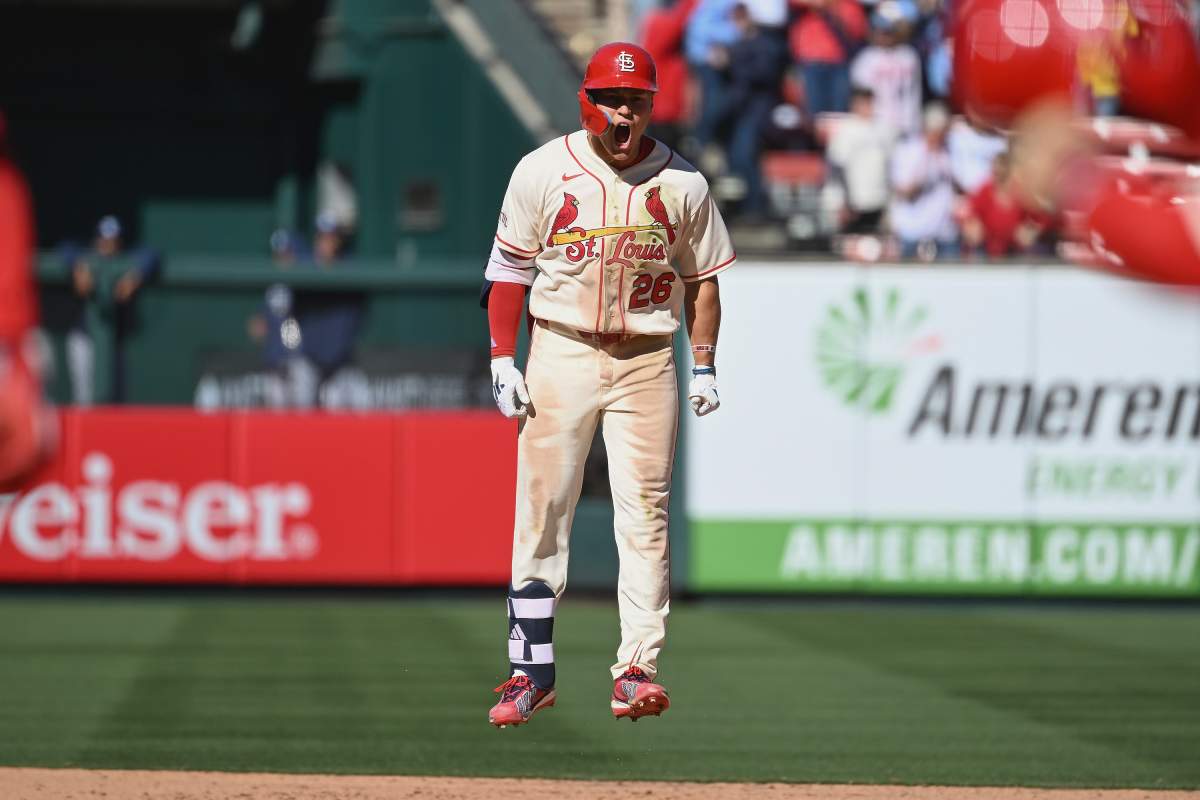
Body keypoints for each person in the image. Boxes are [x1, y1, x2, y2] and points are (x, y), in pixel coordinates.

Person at [482, 42, 735, 728]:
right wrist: (503, 358)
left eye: (636, 101)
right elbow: (508, 270)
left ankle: (636, 671)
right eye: (611, 99)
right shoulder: (542, 170)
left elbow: (702, 281)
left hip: (646, 356)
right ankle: (530, 672)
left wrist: (704, 362)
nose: (624, 112)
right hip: (560, 348)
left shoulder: (683, 183)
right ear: (587, 102)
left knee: (645, 514)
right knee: (543, 509)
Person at [0, 112, 54, 487]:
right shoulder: (11, 187)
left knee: (31, 438)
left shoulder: (9, 188)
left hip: (9, 335)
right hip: (13, 334)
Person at [59, 215, 160, 405]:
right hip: (84, 338)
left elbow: (152, 254)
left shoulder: (126, 260)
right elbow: (66, 248)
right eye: (104, 240)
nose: (108, 245)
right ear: (96, 239)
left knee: (116, 400)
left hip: (114, 341)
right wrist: (77, 267)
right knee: (84, 400)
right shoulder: (86, 257)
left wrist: (136, 275)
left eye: (113, 241)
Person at [889, 101, 958, 259]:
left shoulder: (949, 150)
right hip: (912, 234)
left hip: (944, 235)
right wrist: (926, 162)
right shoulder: (907, 151)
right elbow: (904, 192)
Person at [825, 86, 895, 233]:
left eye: (870, 102)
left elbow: (891, 166)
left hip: (878, 200)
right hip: (854, 202)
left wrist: (891, 201)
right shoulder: (846, 130)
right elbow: (836, 168)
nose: (868, 107)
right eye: (863, 103)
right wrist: (843, 201)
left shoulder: (884, 129)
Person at [850, 0, 923, 136]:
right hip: (877, 126)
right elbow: (861, 97)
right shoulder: (866, 58)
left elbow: (913, 94)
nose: (884, 35)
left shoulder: (909, 56)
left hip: (907, 124)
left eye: (888, 31)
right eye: (880, 30)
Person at [961, 151, 1048, 259]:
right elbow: (968, 212)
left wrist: (1031, 230)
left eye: (1003, 172)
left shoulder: (1021, 192)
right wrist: (972, 225)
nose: (998, 175)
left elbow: (1041, 216)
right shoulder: (985, 190)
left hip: (1015, 251)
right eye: (996, 172)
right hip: (988, 251)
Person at [789, 0, 868, 116]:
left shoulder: (847, 4)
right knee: (815, 113)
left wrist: (834, 10)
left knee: (839, 112)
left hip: (840, 62)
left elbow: (858, 28)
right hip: (811, 61)